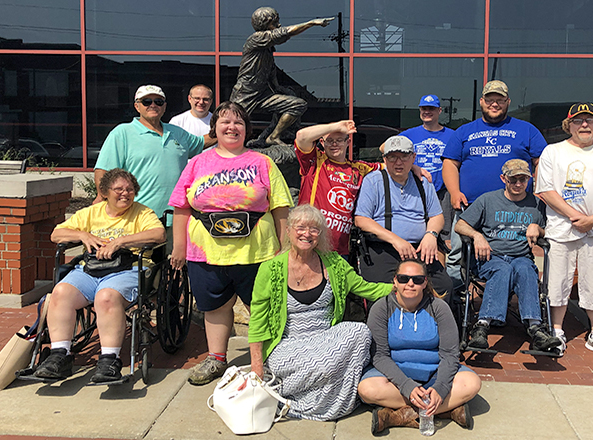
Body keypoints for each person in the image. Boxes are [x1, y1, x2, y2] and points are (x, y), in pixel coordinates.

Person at [168, 101, 292, 385]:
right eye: (225, 121)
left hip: (257, 252)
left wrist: (284, 249)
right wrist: (179, 248)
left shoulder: (262, 162)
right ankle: (216, 358)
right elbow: (181, 207)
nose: (231, 127)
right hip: (206, 253)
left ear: (247, 130)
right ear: (215, 129)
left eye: (238, 122)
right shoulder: (198, 163)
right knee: (215, 307)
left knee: (262, 306)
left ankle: (269, 359)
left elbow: (281, 208)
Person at [248, 204, 393, 421]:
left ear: (320, 235)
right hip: (288, 346)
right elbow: (257, 319)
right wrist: (257, 366)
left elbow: (367, 289)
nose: (307, 233)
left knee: (360, 332)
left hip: (326, 340)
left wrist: (403, 287)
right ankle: (333, 399)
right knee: (327, 364)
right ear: (288, 231)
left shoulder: (334, 263)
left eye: (314, 229)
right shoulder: (271, 269)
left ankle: (310, 399)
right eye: (301, 227)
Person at [33, 169, 164, 383]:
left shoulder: (142, 213)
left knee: (106, 297)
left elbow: (158, 234)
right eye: (119, 189)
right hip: (91, 269)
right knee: (60, 293)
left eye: (130, 189)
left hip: (127, 269)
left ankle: (109, 359)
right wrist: (83, 234)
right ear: (104, 192)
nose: (125, 194)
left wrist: (121, 241)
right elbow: (56, 234)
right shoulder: (91, 213)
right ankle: (59, 355)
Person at [535, 102, 593, 360]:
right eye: (578, 121)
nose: (584, 125)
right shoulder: (553, 152)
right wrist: (574, 215)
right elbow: (545, 190)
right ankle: (556, 330)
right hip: (561, 229)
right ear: (569, 125)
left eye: (590, 120)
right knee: (557, 281)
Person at [442, 80, 547, 287]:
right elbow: (450, 163)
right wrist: (454, 192)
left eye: (500, 100)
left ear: (508, 102)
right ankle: (455, 304)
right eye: (490, 99)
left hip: (515, 208)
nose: (494, 104)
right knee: (456, 255)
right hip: (470, 207)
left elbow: (542, 163)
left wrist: (541, 192)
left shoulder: (526, 130)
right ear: (482, 101)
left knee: (512, 258)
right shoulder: (464, 131)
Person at [358, 259, 481, 434]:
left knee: (472, 383)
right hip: (396, 379)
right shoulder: (381, 307)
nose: (410, 283)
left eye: (417, 279)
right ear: (395, 281)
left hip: (435, 373)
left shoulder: (439, 308)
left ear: (425, 282)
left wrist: (440, 388)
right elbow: (380, 356)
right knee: (366, 390)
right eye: (403, 278)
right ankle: (445, 410)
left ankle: (401, 415)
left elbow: (450, 354)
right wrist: (406, 386)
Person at [455, 159, 561, 352]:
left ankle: (536, 328)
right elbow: (459, 225)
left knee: (526, 269)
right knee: (503, 269)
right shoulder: (488, 200)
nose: (519, 184)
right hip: (490, 258)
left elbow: (552, 230)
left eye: (523, 179)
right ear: (504, 179)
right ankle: (482, 326)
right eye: (514, 180)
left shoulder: (537, 204)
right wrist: (477, 236)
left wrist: (538, 228)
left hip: (520, 257)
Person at [94, 85, 217, 220]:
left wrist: (228, 130)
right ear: (137, 106)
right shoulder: (122, 133)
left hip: (177, 218)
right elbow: (103, 171)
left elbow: (202, 142)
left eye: (158, 102)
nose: (153, 105)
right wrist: (103, 198)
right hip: (136, 219)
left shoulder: (177, 132)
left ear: (164, 107)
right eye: (147, 102)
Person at [354, 136, 454, 302]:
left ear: (413, 158)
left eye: (404, 156)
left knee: (443, 287)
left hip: (419, 249)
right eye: (392, 157)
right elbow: (361, 219)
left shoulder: (423, 182)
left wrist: (431, 235)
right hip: (382, 247)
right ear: (385, 159)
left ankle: (432, 326)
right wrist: (396, 240)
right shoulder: (373, 181)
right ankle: (385, 327)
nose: (398, 162)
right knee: (383, 291)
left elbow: (437, 215)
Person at [230, 7, 333, 145]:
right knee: (230, 127)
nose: (278, 25)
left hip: (263, 94)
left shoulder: (267, 49)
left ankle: (271, 137)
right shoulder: (256, 39)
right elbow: (283, 33)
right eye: (275, 23)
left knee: (297, 105)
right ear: (264, 24)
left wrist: (278, 88)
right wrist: (311, 23)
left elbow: (270, 73)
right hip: (245, 94)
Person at [294, 120, 381, 257]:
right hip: (310, 243)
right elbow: (301, 136)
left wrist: (414, 167)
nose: (334, 144)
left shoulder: (359, 168)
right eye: (329, 141)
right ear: (322, 143)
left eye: (339, 140)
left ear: (348, 142)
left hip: (340, 250)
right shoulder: (315, 161)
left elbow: (392, 166)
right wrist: (336, 126)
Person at [401, 94, 456, 247]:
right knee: (417, 235)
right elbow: (384, 147)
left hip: (443, 193)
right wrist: (413, 166)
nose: (427, 111)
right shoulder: (409, 134)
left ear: (439, 110)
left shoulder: (452, 135)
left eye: (431, 109)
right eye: (424, 108)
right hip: (416, 191)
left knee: (445, 241)